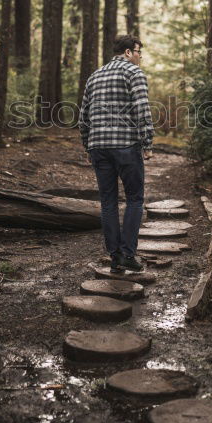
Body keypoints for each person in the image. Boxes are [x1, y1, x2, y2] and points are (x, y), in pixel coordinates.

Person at [78, 34, 155, 273]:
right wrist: (147, 142)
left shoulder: (95, 76)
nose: (140, 57)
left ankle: (115, 257)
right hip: (125, 146)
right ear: (129, 52)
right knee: (134, 199)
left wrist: (87, 144)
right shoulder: (134, 73)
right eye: (138, 52)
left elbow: (83, 116)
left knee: (108, 202)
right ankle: (128, 254)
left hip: (99, 146)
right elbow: (142, 109)